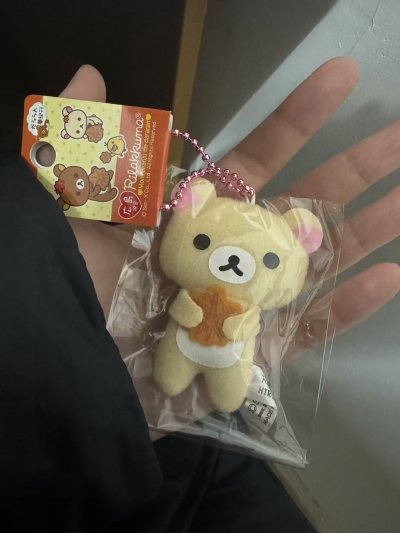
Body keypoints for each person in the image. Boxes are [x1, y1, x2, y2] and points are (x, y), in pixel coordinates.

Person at [0, 59, 399, 532]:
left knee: (228, 390)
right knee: (175, 376)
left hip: (137, 469)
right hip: (137, 463)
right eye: (203, 241)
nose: (232, 263)